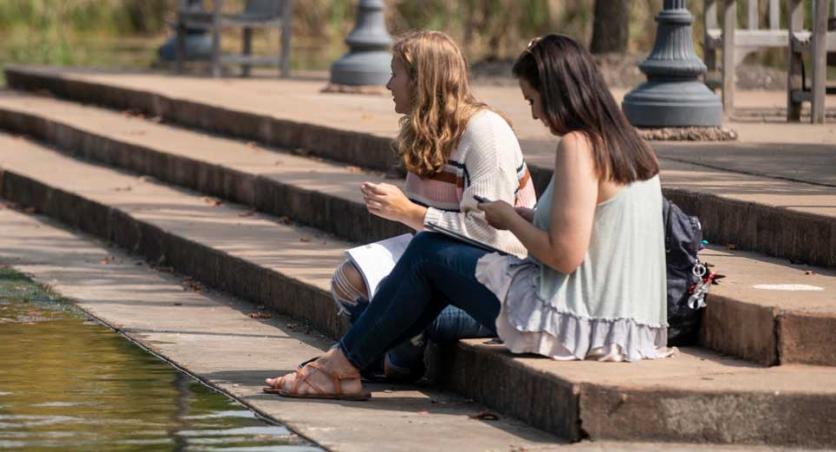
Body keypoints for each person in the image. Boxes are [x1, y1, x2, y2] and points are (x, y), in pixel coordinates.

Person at [266, 34, 671, 401]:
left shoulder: (577, 145)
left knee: (426, 255)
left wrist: (509, 219)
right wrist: (522, 214)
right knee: (411, 269)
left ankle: (339, 368)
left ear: (557, 91)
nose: (534, 115)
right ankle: (348, 366)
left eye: (533, 100)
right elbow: (592, 234)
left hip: (571, 322)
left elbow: (565, 256)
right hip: (625, 325)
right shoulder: (633, 149)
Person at [329, 29, 535, 384]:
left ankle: (389, 360)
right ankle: (391, 357)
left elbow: (495, 235)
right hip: (451, 265)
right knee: (347, 282)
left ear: (421, 80)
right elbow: (436, 239)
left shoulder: (485, 133)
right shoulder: (427, 132)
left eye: (396, 74)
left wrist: (409, 212)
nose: (388, 84)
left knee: (394, 299)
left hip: (500, 282)